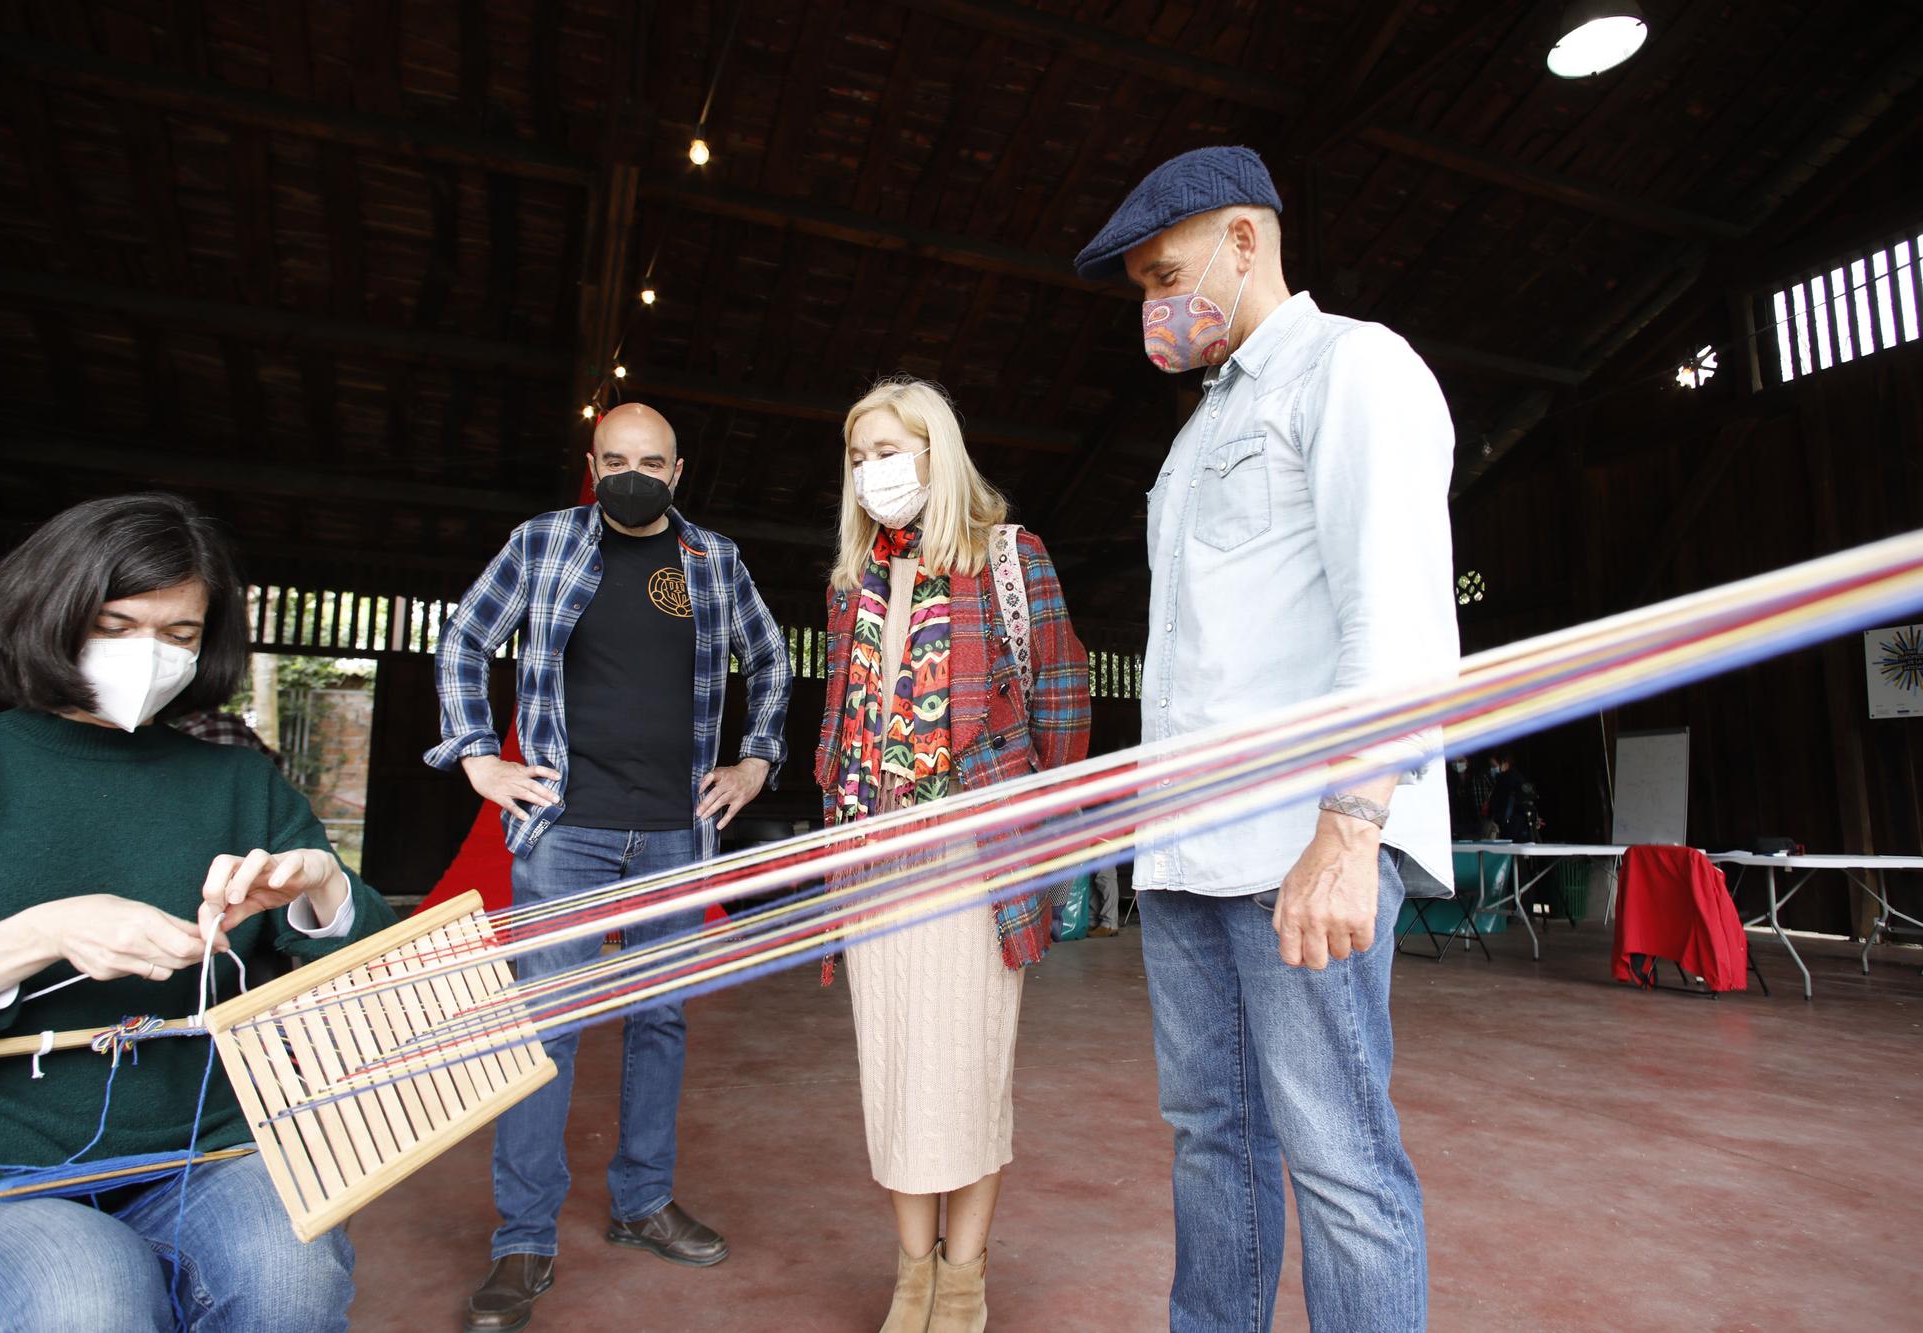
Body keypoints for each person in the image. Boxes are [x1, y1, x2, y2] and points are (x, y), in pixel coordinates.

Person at [1075, 146, 1458, 1332]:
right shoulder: (1197, 435)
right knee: (1208, 1141)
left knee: (1338, 1157)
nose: (1152, 305)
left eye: (1164, 272)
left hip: (1301, 848)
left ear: (1245, 240)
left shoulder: (1353, 369)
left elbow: (1394, 610)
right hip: (1191, 854)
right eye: (1140, 285)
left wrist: (1349, 827)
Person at [0, 493, 397, 1331]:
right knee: (88, 1286)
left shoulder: (240, 785)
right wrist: (38, 934)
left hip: (201, 1148)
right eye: (115, 623)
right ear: (48, 610)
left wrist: (324, 887)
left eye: (179, 634)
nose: (148, 653)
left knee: (291, 1264)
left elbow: (387, 983)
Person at [426, 402, 792, 1332]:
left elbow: (771, 656)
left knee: (658, 1018)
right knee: (547, 1026)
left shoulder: (715, 560)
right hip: (566, 827)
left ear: (678, 471)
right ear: (592, 463)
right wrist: (477, 753)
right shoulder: (543, 543)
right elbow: (466, 635)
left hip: (676, 829)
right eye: (615, 458)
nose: (634, 472)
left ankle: (642, 1201)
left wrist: (755, 759)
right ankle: (523, 1236)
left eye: (652, 461)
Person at [813, 376, 1090, 1333]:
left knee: (969, 1070)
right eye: (857, 457)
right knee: (892, 1070)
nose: (870, 472)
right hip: (874, 866)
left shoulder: (1012, 561)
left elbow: (1062, 705)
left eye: (887, 451)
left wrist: (1035, 840)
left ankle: (963, 1278)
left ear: (938, 453)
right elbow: (844, 730)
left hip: (974, 866)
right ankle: (911, 1275)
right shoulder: (854, 582)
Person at [1484, 750, 1540, 842]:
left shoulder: (1507, 780)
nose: (1492, 769)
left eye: (1494, 766)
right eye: (1491, 767)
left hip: (1512, 829)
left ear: (1505, 764)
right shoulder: (1513, 778)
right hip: (1513, 828)